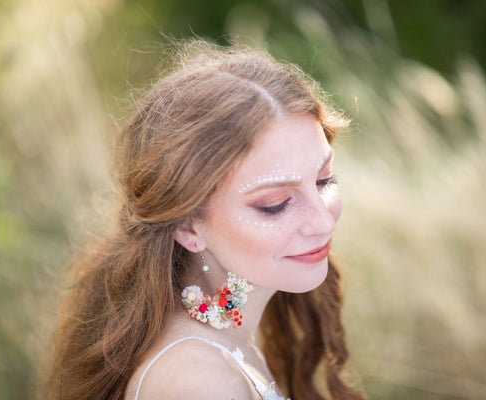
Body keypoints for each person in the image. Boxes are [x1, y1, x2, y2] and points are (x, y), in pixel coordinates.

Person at [44, 42, 364, 400]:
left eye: (324, 180)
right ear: (187, 227)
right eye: (275, 205)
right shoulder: (199, 385)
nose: (323, 222)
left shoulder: (227, 327)